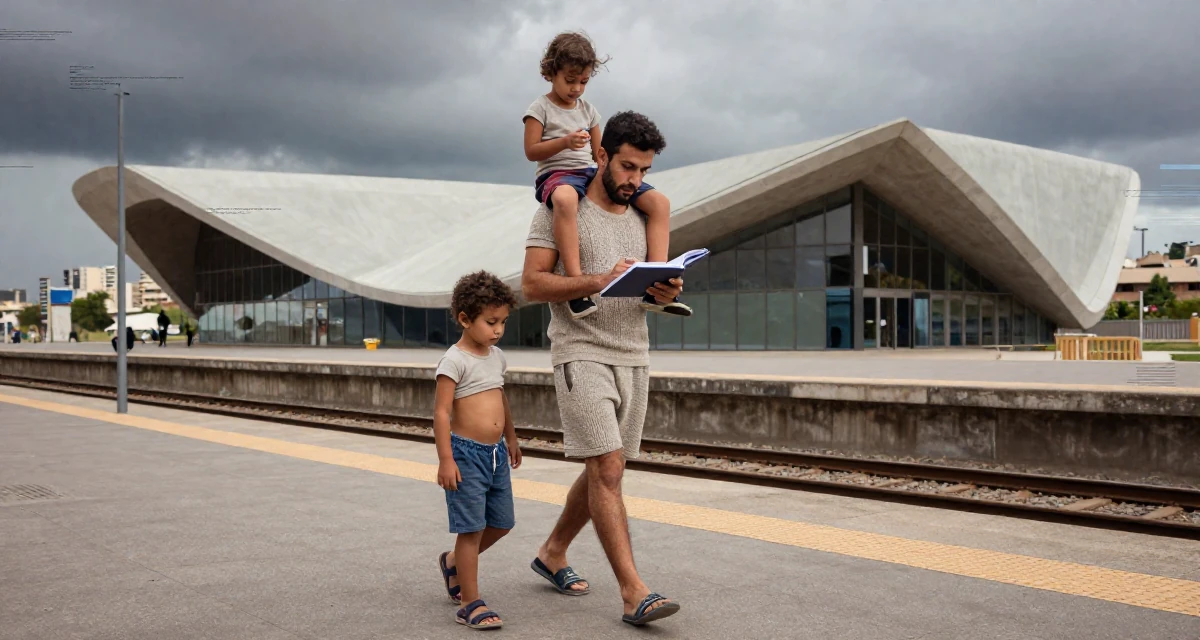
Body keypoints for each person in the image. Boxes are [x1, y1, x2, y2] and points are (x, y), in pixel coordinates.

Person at [522, 110, 684, 626]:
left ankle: (552, 552)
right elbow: (531, 285)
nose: (635, 180)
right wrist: (595, 280)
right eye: (627, 167)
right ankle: (634, 592)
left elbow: (652, 301)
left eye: (643, 170)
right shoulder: (558, 208)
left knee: (603, 466)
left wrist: (665, 289)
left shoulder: (644, 213)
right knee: (608, 468)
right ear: (601, 155)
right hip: (579, 349)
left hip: (634, 354)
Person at [523, 31, 690, 320]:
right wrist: (564, 142)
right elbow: (531, 150)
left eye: (584, 82)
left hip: (588, 172)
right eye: (570, 80)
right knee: (565, 199)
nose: (577, 88)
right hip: (557, 174)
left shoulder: (589, 111)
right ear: (551, 73)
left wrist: (602, 169)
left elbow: (599, 153)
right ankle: (578, 289)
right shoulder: (539, 109)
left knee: (660, 202)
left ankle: (656, 283)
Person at [433, 271, 522, 630]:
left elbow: (501, 398)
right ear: (465, 320)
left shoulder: (496, 356)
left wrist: (512, 437)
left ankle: (454, 562)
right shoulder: (454, 361)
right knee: (471, 528)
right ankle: (470, 602)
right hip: (466, 455)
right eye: (490, 322)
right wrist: (445, 459)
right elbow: (441, 412)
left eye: (502, 322)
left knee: (501, 522)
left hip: (496, 453)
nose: (498, 330)